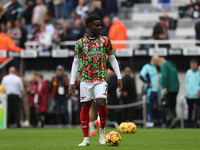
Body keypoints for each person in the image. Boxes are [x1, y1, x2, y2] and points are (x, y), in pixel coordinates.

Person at [69, 14, 123, 146]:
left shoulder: (105, 41)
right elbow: (75, 63)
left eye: (100, 25)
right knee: (85, 107)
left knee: (101, 103)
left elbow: (112, 59)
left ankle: (102, 130)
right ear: (89, 26)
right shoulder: (80, 43)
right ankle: (86, 139)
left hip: (100, 79)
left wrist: (119, 76)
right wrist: (72, 81)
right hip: (85, 80)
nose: (100, 27)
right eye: (97, 25)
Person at [157, 57, 180, 128]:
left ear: (160, 62)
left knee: (164, 105)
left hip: (169, 89)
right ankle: (176, 125)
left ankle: (173, 118)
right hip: (175, 89)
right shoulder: (173, 65)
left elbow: (164, 76)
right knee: (172, 106)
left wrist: (164, 87)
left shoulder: (164, 65)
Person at [140, 56, 159, 128]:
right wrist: (148, 83)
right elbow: (141, 76)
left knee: (153, 106)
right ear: (153, 60)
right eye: (156, 60)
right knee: (149, 106)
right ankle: (149, 122)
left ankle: (151, 121)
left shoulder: (155, 67)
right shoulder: (147, 67)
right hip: (149, 90)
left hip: (155, 90)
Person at [185, 59, 200, 127]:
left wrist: (199, 90)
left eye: (194, 64)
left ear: (197, 65)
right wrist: (188, 91)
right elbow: (186, 82)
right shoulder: (188, 72)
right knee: (190, 110)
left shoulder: (199, 72)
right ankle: (189, 124)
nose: (193, 65)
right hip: (190, 95)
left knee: (198, 110)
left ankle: (198, 123)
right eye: (192, 64)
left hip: (198, 95)